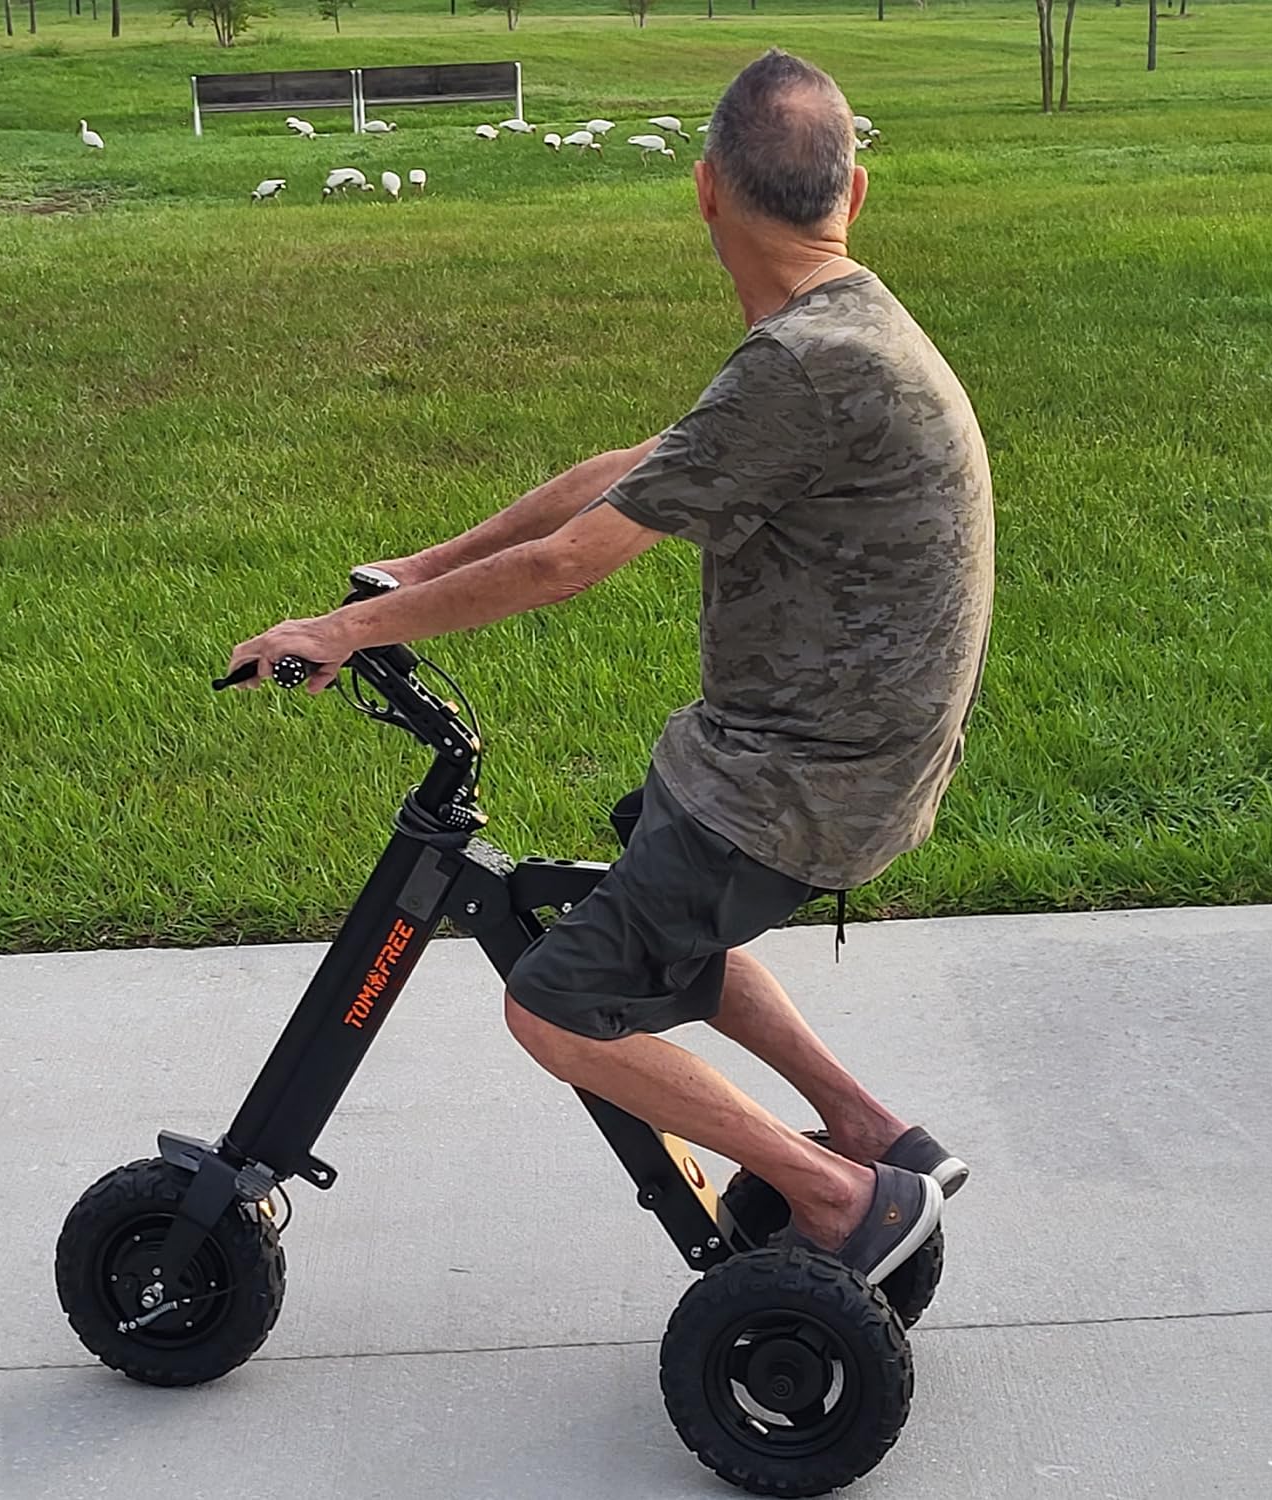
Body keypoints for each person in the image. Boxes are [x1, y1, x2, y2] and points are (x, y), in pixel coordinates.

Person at [228, 49, 994, 1284]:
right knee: (644, 873)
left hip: (807, 785)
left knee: (553, 1001)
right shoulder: (835, 329)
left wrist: (348, 632)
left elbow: (571, 561)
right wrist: (420, 569)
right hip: (848, 756)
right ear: (852, 197)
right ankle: (869, 1126)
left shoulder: (801, 365)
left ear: (702, 192)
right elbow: (633, 470)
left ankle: (844, 1196)